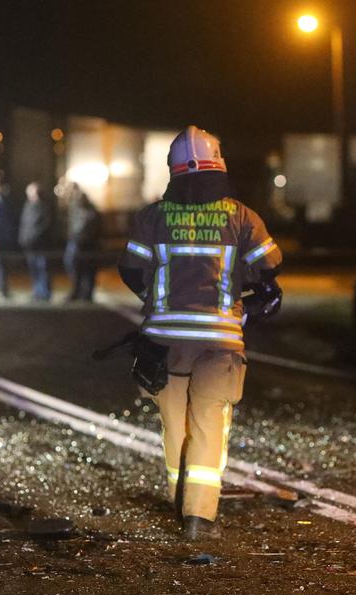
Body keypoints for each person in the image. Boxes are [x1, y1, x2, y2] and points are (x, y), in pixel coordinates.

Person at [118, 126, 283, 541]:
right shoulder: (242, 216)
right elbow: (269, 270)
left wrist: (156, 297)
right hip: (220, 341)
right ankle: (198, 517)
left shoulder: (153, 217)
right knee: (209, 422)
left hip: (163, 342)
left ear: (173, 170)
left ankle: (180, 499)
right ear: (219, 163)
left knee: (175, 425)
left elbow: (132, 270)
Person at [18, 181, 57, 301]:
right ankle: (37, 292)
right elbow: (24, 224)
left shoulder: (45, 206)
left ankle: (45, 292)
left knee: (43, 268)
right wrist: (23, 238)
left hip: (41, 243)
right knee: (33, 268)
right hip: (30, 244)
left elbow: (45, 225)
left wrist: (34, 236)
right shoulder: (28, 205)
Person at [63, 182, 101, 301]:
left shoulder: (88, 211)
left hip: (85, 243)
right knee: (76, 267)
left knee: (87, 269)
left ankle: (86, 294)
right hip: (77, 241)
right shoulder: (76, 208)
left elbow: (87, 227)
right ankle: (79, 291)